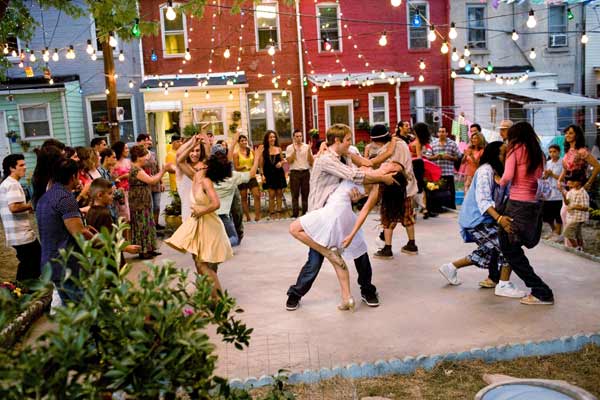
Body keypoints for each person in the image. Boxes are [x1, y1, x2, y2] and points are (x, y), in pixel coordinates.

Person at [285, 124, 395, 311]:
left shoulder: (345, 154)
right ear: (337, 141)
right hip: (321, 212)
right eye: (348, 140)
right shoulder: (325, 160)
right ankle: (295, 294)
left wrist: (357, 195)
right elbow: (353, 175)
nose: (351, 143)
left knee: (360, 251)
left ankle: (367, 290)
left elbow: (362, 167)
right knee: (315, 260)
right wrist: (382, 178)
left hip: (340, 210)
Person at [439, 142, 525, 297]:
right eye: (503, 153)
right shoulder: (485, 171)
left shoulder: (503, 172)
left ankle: (450, 267)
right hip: (476, 220)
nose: (507, 157)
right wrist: (499, 219)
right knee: (507, 246)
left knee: (486, 252)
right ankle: (503, 285)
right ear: (494, 155)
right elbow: (483, 200)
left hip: (487, 219)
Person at [498, 122, 554, 305]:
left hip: (517, 204)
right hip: (533, 204)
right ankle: (538, 289)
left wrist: (497, 180)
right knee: (512, 248)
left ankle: (541, 291)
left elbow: (507, 176)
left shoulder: (515, 149)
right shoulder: (539, 152)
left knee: (509, 248)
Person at [165, 149, 234, 298]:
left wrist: (200, 210)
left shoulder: (206, 181)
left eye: (202, 165)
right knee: (200, 264)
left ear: (207, 168)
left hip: (211, 226)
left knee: (206, 266)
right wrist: (193, 143)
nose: (198, 165)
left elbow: (216, 204)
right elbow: (180, 160)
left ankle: (219, 301)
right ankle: (213, 298)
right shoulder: (195, 176)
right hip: (201, 225)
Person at [36, 158, 96, 303]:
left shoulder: (45, 197)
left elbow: (57, 226)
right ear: (73, 176)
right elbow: (79, 233)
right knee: (86, 307)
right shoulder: (65, 198)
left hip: (51, 261)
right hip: (66, 264)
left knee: (70, 309)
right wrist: (106, 241)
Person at [362, 125, 419, 258]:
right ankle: (412, 244)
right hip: (407, 188)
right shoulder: (402, 143)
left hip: (391, 188)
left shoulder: (387, 148)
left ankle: (387, 249)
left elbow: (379, 166)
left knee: (388, 217)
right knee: (407, 216)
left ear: (377, 140)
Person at [0, 154, 41, 281]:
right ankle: (21, 291)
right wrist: (32, 205)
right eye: (21, 165)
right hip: (21, 234)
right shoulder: (12, 184)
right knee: (33, 263)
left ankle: (20, 290)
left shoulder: (7, 183)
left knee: (28, 263)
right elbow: (14, 207)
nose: (25, 167)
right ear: (12, 168)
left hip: (16, 234)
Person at [212, 143, 260, 246]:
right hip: (224, 215)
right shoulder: (232, 177)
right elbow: (252, 174)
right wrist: (256, 158)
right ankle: (220, 246)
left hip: (211, 214)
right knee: (234, 239)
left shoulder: (208, 178)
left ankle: (216, 245)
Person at [128, 144, 170, 260]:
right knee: (142, 225)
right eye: (145, 156)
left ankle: (150, 248)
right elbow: (152, 181)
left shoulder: (139, 169)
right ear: (138, 157)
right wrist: (164, 170)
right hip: (139, 203)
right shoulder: (136, 170)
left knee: (148, 223)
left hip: (144, 201)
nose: (147, 158)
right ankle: (144, 250)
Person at [85, 178, 141, 262]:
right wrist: (126, 248)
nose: (113, 196)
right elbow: (109, 239)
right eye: (110, 193)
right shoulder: (104, 214)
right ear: (100, 195)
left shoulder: (91, 211)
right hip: (109, 257)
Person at [557, 125, 600, 231]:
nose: (567, 135)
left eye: (571, 133)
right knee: (564, 215)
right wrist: (559, 180)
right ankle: (571, 244)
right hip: (567, 188)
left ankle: (575, 245)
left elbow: (597, 166)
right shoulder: (567, 152)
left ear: (577, 135)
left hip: (578, 188)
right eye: (566, 133)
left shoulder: (582, 151)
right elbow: (565, 169)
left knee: (571, 218)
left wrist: (589, 183)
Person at [176, 134, 209, 221]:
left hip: (205, 214)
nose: (195, 154)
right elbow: (178, 155)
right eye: (192, 150)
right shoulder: (182, 167)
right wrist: (192, 142)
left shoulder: (203, 167)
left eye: (197, 150)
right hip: (188, 216)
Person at [427, 126, 460, 210]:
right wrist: (436, 157)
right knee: (436, 190)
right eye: (440, 131)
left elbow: (458, 156)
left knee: (451, 190)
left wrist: (450, 157)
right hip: (437, 172)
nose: (441, 133)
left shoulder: (452, 143)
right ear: (438, 133)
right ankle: (438, 207)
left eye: (443, 131)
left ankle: (451, 206)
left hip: (448, 171)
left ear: (446, 133)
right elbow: (428, 157)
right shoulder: (433, 144)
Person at [136, 134, 164, 230]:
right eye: (147, 140)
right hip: (146, 183)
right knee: (149, 206)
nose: (149, 142)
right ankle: (150, 226)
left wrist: (161, 182)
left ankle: (156, 224)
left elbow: (157, 167)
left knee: (157, 205)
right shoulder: (138, 155)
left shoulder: (152, 154)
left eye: (149, 140)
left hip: (155, 182)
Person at [286, 129, 314, 218]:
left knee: (305, 194)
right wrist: (294, 151)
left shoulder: (306, 147)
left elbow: (311, 162)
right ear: (293, 137)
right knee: (295, 194)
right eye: (297, 136)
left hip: (305, 172)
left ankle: (305, 213)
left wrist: (309, 151)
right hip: (295, 173)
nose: (299, 138)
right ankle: (295, 214)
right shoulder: (289, 147)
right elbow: (289, 161)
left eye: (300, 136)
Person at [233, 134, 262, 222]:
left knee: (257, 195)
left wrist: (258, 169)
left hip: (251, 176)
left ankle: (257, 216)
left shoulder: (252, 151)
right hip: (241, 177)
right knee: (244, 197)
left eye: (245, 140)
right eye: (242, 141)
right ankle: (248, 217)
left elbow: (256, 162)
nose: (244, 142)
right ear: (238, 142)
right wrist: (244, 166)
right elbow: (236, 167)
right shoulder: (236, 154)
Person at [260, 130, 287, 219]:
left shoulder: (278, 149)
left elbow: (283, 160)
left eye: (274, 137)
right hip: (269, 174)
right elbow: (261, 165)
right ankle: (271, 213)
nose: (273, 139)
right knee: (271, 194)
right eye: (271, 137)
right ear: (267, 139)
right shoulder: (264, 150)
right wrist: (262, 175)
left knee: (279, 193)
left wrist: (281, 163)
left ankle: (279, 212)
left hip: (278, 173)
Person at [410, 123, 435, 218]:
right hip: (417, 165)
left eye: (414, 129)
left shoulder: (417, 142)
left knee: (415, 188)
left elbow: (419, 156)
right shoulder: (417, 140)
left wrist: (410, 159)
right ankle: (422, 209)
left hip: (416, 165)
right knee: (419, 188)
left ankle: (415, 210)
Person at [561, 170, 590, 250]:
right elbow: (567, 203)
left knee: (567, 233)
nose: (571, 182)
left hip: (578, 218)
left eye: (574, 181)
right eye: (571, 180)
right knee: (578, 234)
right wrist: (564, 196)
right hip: (572, 217)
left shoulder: (583, 193)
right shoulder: (571, 191)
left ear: (580, 182)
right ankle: (581, 247)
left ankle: (576, 247)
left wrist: (574, 207)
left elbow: (586, 207)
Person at [541, 144, 563, 240]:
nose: (552, 154)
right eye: (550, 152)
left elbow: (564, 178)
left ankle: (558, 233)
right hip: (548, 193)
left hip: (559, 193)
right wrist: (546, 175)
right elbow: (544, 177)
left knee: (558, 214)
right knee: (546, 215)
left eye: (554, 151)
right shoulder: (547, 163)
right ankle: (553, 230)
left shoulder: (563, 163)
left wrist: (552, 174)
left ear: (559, 152)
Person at [111, 141, 132, 226]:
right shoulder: (114, 164)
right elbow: (112, 179)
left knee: (131, 214)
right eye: (126, 148)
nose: (128, 150)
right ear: (120, 150)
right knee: (124, 215)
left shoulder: (128, 161)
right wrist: (122, 176)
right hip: (121, 193)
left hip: (131, 190)